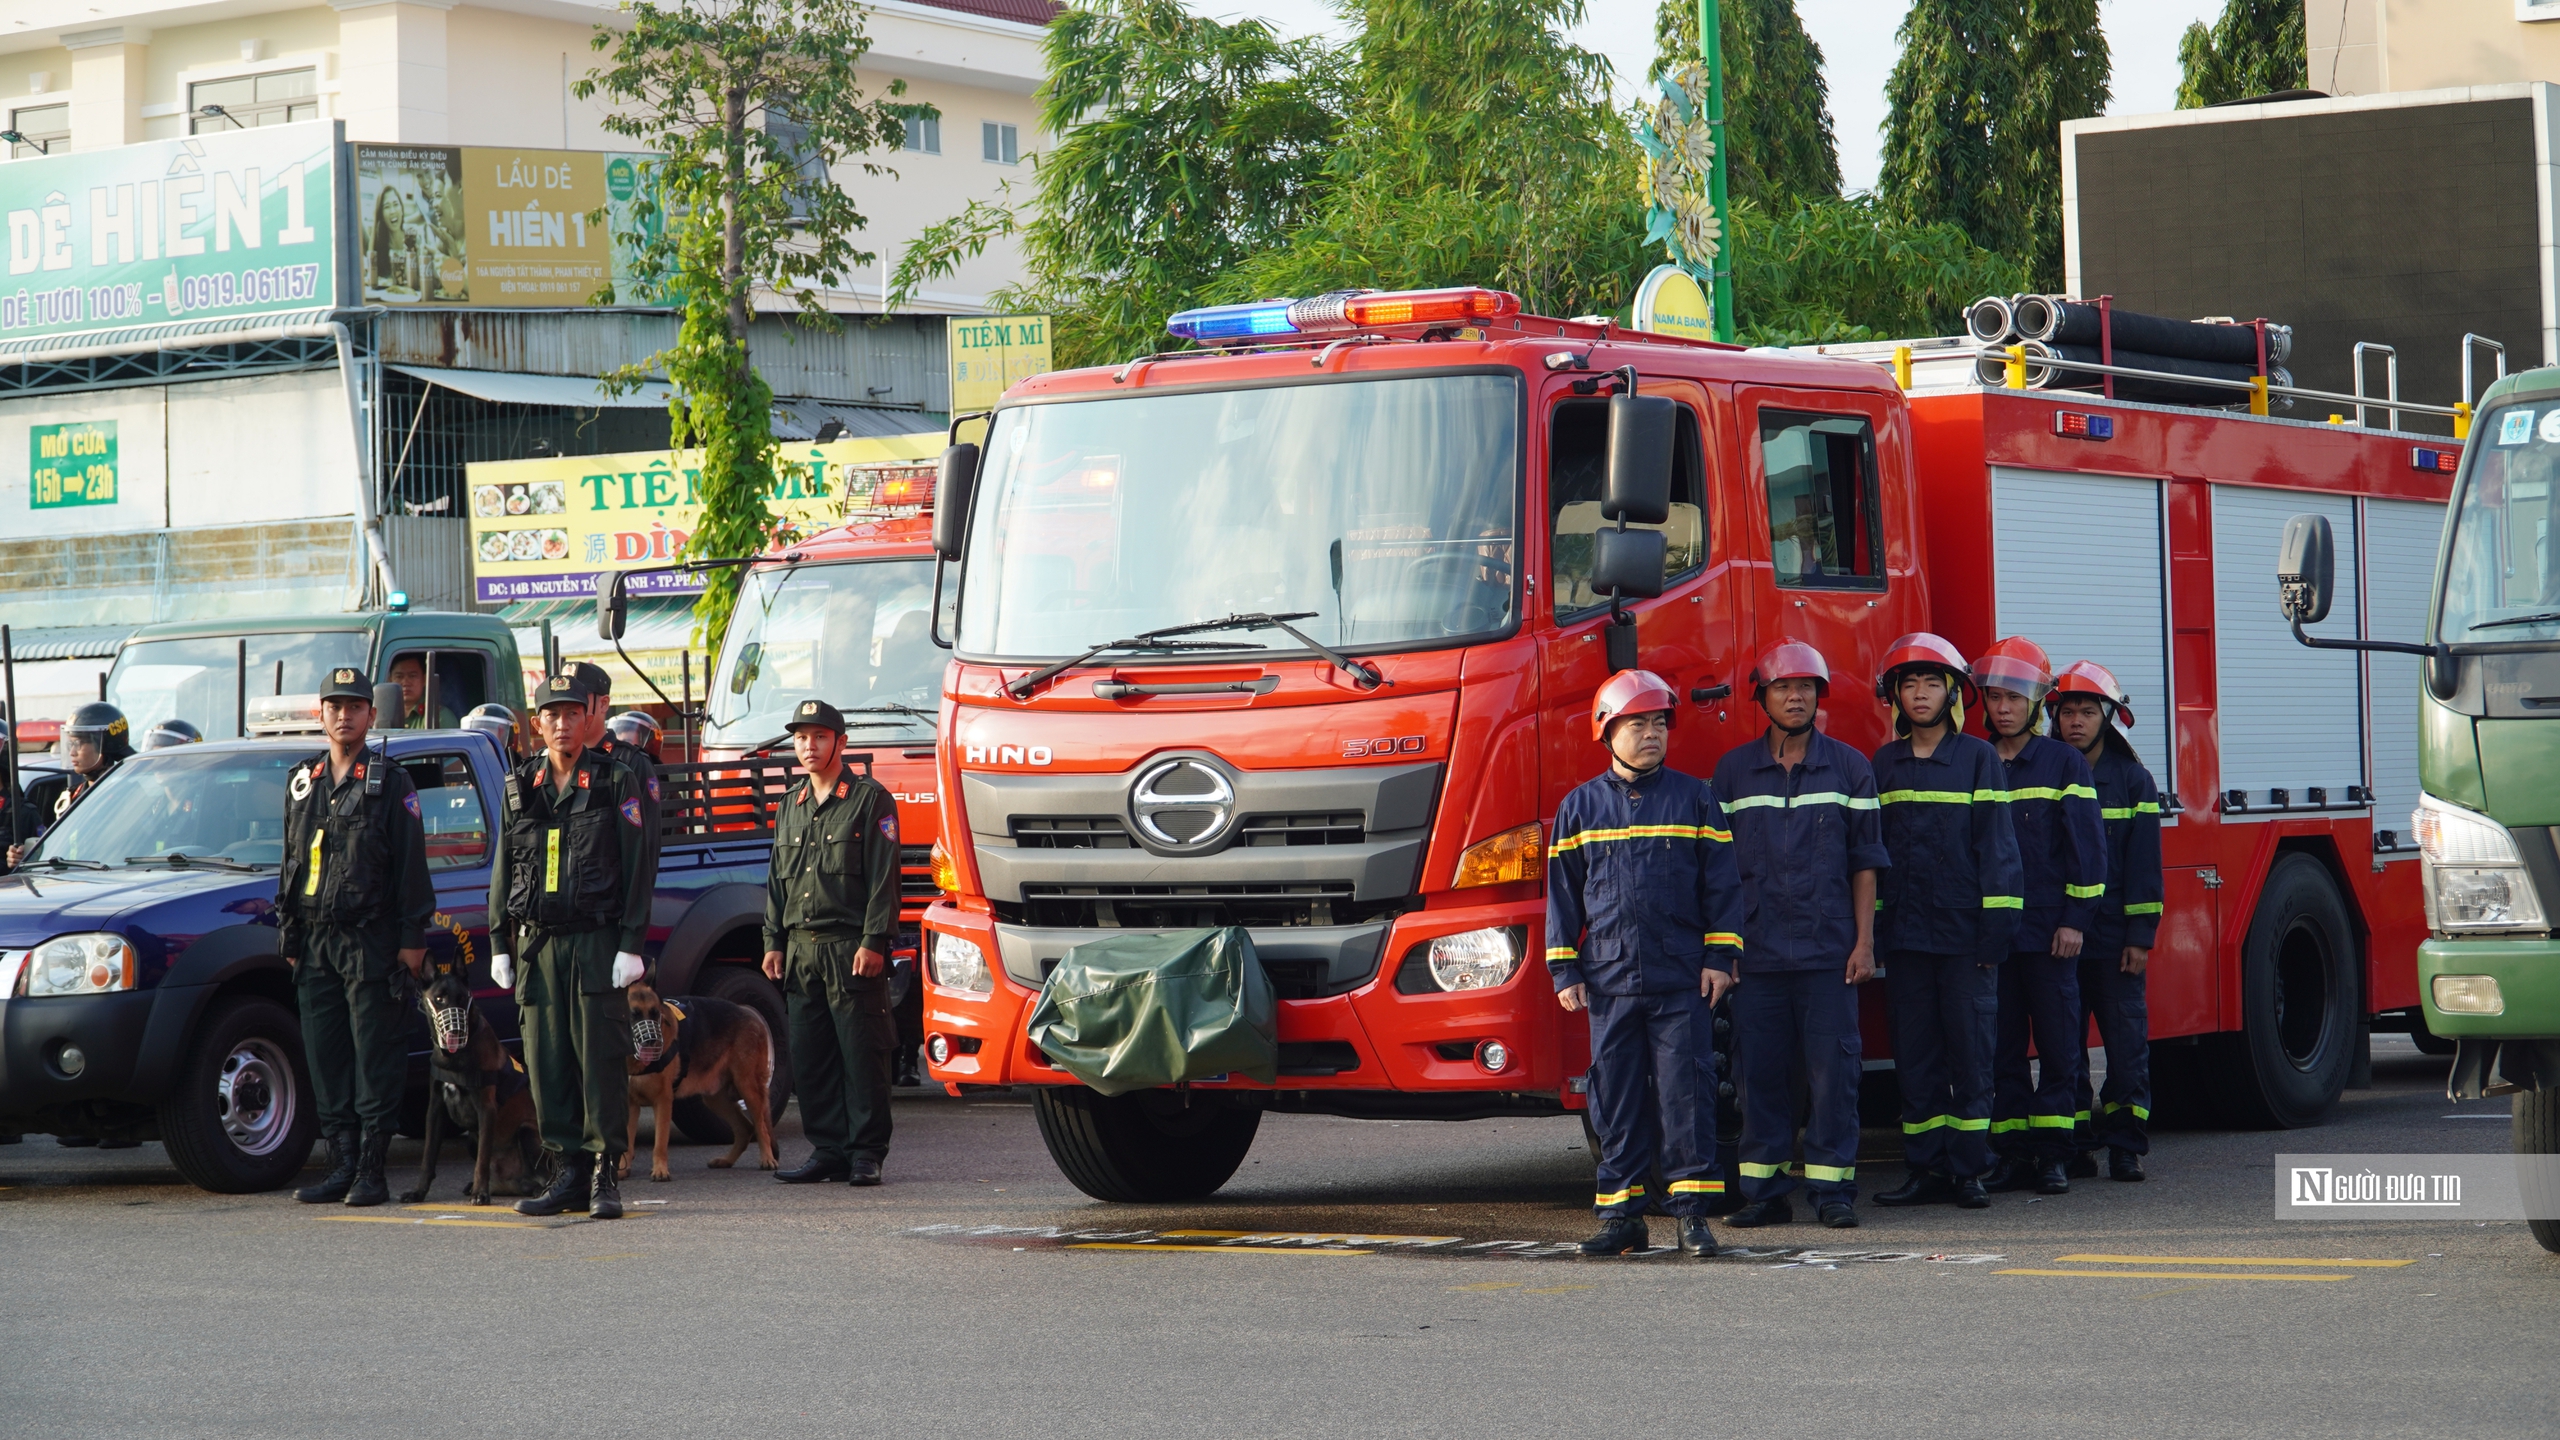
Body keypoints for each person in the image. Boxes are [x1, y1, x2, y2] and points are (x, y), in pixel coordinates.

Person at [1547, 669, 1745, 1258]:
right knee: (1617, 1098)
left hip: (1681, 978)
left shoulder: (1695, 798)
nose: (1653, 733)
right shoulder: (1578, 808)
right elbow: (1560, 897)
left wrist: (1720, 957)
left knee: (1687, 1094)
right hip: (1609, 982)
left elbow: (1723, 886)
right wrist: (1564, 970)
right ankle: (1621, 1218)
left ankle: (1691, 1217)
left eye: (1660, 722)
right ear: (1607, 730)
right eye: (1639, 723)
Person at [1713, 641, 1889, 1231]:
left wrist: (1864, 943)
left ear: (1820, 696)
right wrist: (1724, 949)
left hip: (1828, 953)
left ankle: (1833, 1191)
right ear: (1762, 697)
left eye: (1806, 688)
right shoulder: (1733, 771)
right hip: (1757, 956)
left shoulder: (1850, 768)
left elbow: (1866, 862)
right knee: (1757, 1073)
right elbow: (1717, 872)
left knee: (1833, 1075)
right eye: (1784, 688)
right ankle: (1764, 1193)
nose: (1796, 697)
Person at [489, 671, 651, 1220]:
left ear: (589, 719)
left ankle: (606, 1175)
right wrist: (498, 943)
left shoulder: (614, 780)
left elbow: (638, 866)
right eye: (551, 715)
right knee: (547, 1060)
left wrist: (631, 943)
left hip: (594, 943)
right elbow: (503, 866)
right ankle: (568, 1174)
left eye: (571, 714)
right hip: (539, 947)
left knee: (600, 1062)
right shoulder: (522, 785)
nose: (562, 724)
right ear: (537, 725)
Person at [1869, 634, 2023, 1210]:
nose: (1920, 693)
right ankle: (1925, 1168)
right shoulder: (1883, 764)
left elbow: (1999, 853)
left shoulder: (1979, 758)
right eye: (1909, 684)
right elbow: (1874, 857)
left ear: (1953, 693)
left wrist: (1995, 934)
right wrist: (1879, 935)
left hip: (1966, 941)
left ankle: (1969, 1170)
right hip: (1907, 939)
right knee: (1917, 1059)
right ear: (1896, 697)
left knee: (1971, 1055)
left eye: (1932, 683)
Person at [278, 668, 433, 1206]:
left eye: (355, 706)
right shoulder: (304, 781)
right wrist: (290, 936)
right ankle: (341, 1165)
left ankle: (372, 1169)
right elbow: (292, 862)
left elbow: (412, 867)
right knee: (327, 1056)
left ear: (372, 715)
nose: (344, 715)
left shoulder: (392, 783)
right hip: (316, 941)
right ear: (320, 714)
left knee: (375, 1056)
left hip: (373, 941)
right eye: (334, 705)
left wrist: (413, 938)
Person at [1971, 637, 2107, 1197]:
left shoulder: (2063, 762)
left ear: (2037, 702)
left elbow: (2088, 852)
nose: (2003, 708)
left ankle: (2053, 1154)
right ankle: (2011, 1154)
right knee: (2001, 1050)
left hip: (2051, 935)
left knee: (2057, 1048)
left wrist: (2075, 919)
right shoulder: (1972, 758)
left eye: (2014, 698)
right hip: (1995, 939)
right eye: (1995, 698)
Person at [763, 700, 903, 1186]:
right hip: (801, 950)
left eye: (819, 737)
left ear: (840, 743)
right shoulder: (790, 805)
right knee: (811, 1055)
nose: (808, 746)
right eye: (801, 738)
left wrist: (874, 941)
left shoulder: (869, 799)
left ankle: (866, 1153)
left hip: (850, 948)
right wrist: (773, 941)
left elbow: (885, 878)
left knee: (862, 1052)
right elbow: (777, 883)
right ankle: (828, 1149)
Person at [2046, 661, 2163, 1183]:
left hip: (2115, 938)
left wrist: (2141, 937)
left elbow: (2144, 867)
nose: (2075, 721)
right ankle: (2077, 1145)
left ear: (2108, 717)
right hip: (2060, 936)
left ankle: (2125, 1144)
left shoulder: (2133, 781)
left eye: (2087, 712)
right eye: (2067, 712)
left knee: (2125, 1045)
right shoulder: (2041, 772)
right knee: (2064, 1045)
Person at [7, 702, 132, 870]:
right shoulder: (72, 796)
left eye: (79, 743)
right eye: (70, 743)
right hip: (73, 882)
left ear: (104, 744)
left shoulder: (130, 796)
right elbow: (57, 850)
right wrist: (26, 857)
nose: (72, 752)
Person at [386, 654, 459, 730]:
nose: (405, 682)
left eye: (412, 676)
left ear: (424, 679)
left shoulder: (438, 717)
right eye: (399, 677)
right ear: (390, 680)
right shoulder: (382, 716)